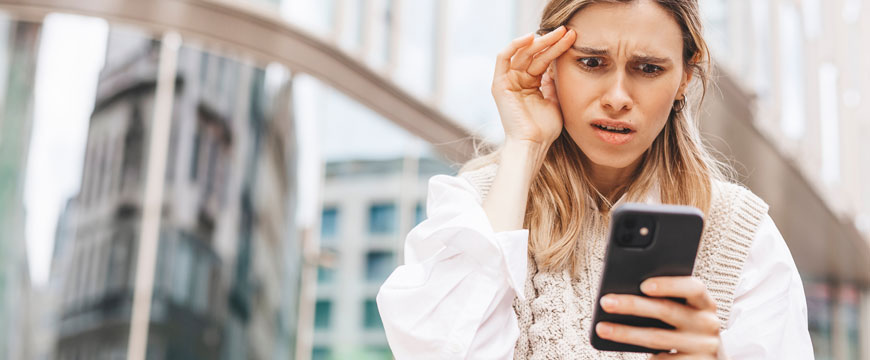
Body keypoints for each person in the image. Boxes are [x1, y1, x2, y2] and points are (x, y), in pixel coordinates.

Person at [376, 0, 813, 358]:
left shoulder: (741, 234)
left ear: (685, 77)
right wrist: (523, 145)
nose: (618, 98)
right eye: (590, 62)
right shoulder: (476, 209)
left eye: (648, 69)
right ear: (548, 65)